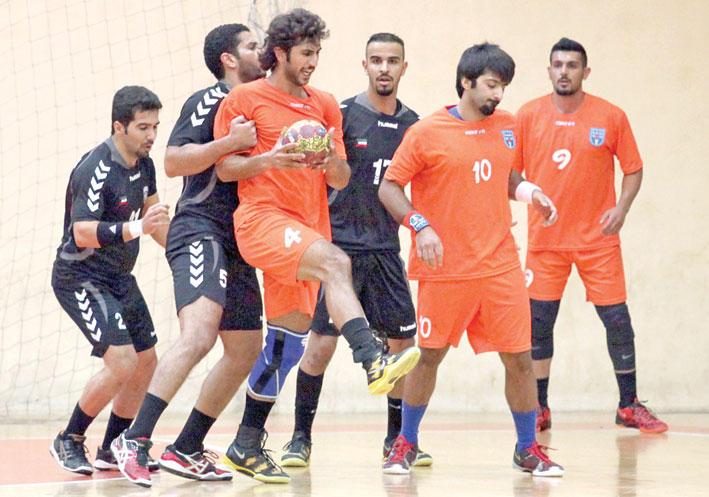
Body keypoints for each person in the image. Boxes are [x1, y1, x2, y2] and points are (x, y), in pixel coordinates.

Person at [211, 9, 421, 484]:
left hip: (309, 227)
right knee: (336, 263)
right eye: (306, 54)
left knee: (286, 345)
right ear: (281, 53)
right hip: (263, 220)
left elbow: (342, 178)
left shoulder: (325, 105)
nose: (313, 62)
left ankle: (246, 442)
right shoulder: (245, 98)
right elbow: (225, 169)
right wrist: (269, 159)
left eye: (317, 53)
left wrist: (327, 158)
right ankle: (373, 359)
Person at [378, 43, 564, 477]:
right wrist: (420, 225)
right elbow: (390, 187)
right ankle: (406, 442)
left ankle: (527, 448)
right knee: (428, 357)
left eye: (503, 87)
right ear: (466, 82)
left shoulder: (508, 126)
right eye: (492, 85)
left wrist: (530, 192)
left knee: (520, 358)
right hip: (446, 269)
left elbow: (504, 174)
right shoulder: (426, 131)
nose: (498, 94)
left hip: (500, 265)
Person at [111, 24, 267, 487]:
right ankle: (133, 439)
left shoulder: (263, 104)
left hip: (240, 239)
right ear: (228, 59)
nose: (262, 51)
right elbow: (174, 160)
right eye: (252, 46)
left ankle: (187, 447)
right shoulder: (210, 99)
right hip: (200, 229)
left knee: (246, 348)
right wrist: (230, 143)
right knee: (198, 335)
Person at [280, 32, 431, 469]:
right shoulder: (342, 117)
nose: (384, 68)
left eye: (392, 61)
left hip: (385, 251)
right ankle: (299, 439)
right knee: (320, 348)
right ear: (364, 65)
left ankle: (396, 440)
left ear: (404, 68)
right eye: (376, 60)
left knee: (403, 347)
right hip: (340, 250)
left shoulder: (415, 126)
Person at [514, 37, 668, 434]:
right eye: (558, 65)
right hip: (546, 243)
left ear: (585, 71)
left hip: (598, 241)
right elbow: (510, 173)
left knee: (618, 321)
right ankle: (540, 408)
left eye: (572, 65)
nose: (564, 71)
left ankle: (628, 405)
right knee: (538, 326)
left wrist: (622, 208)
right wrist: (526, 198)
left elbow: (633, 168)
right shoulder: (528, 115)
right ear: (549, 70)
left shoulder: (611, 116)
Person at [49, 86, 169, 476]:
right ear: (119, 127)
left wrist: (183, 252)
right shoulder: (95, 167)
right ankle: (69, 438)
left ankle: (113, 446)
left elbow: (154, 222)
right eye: (143, 127)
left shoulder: (145, 164)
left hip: (118, 276)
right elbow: (83, 232)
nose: (152, 135)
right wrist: (137, 227)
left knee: (146, 361)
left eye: (155, 126)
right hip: (80, 276)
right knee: (122, 362)